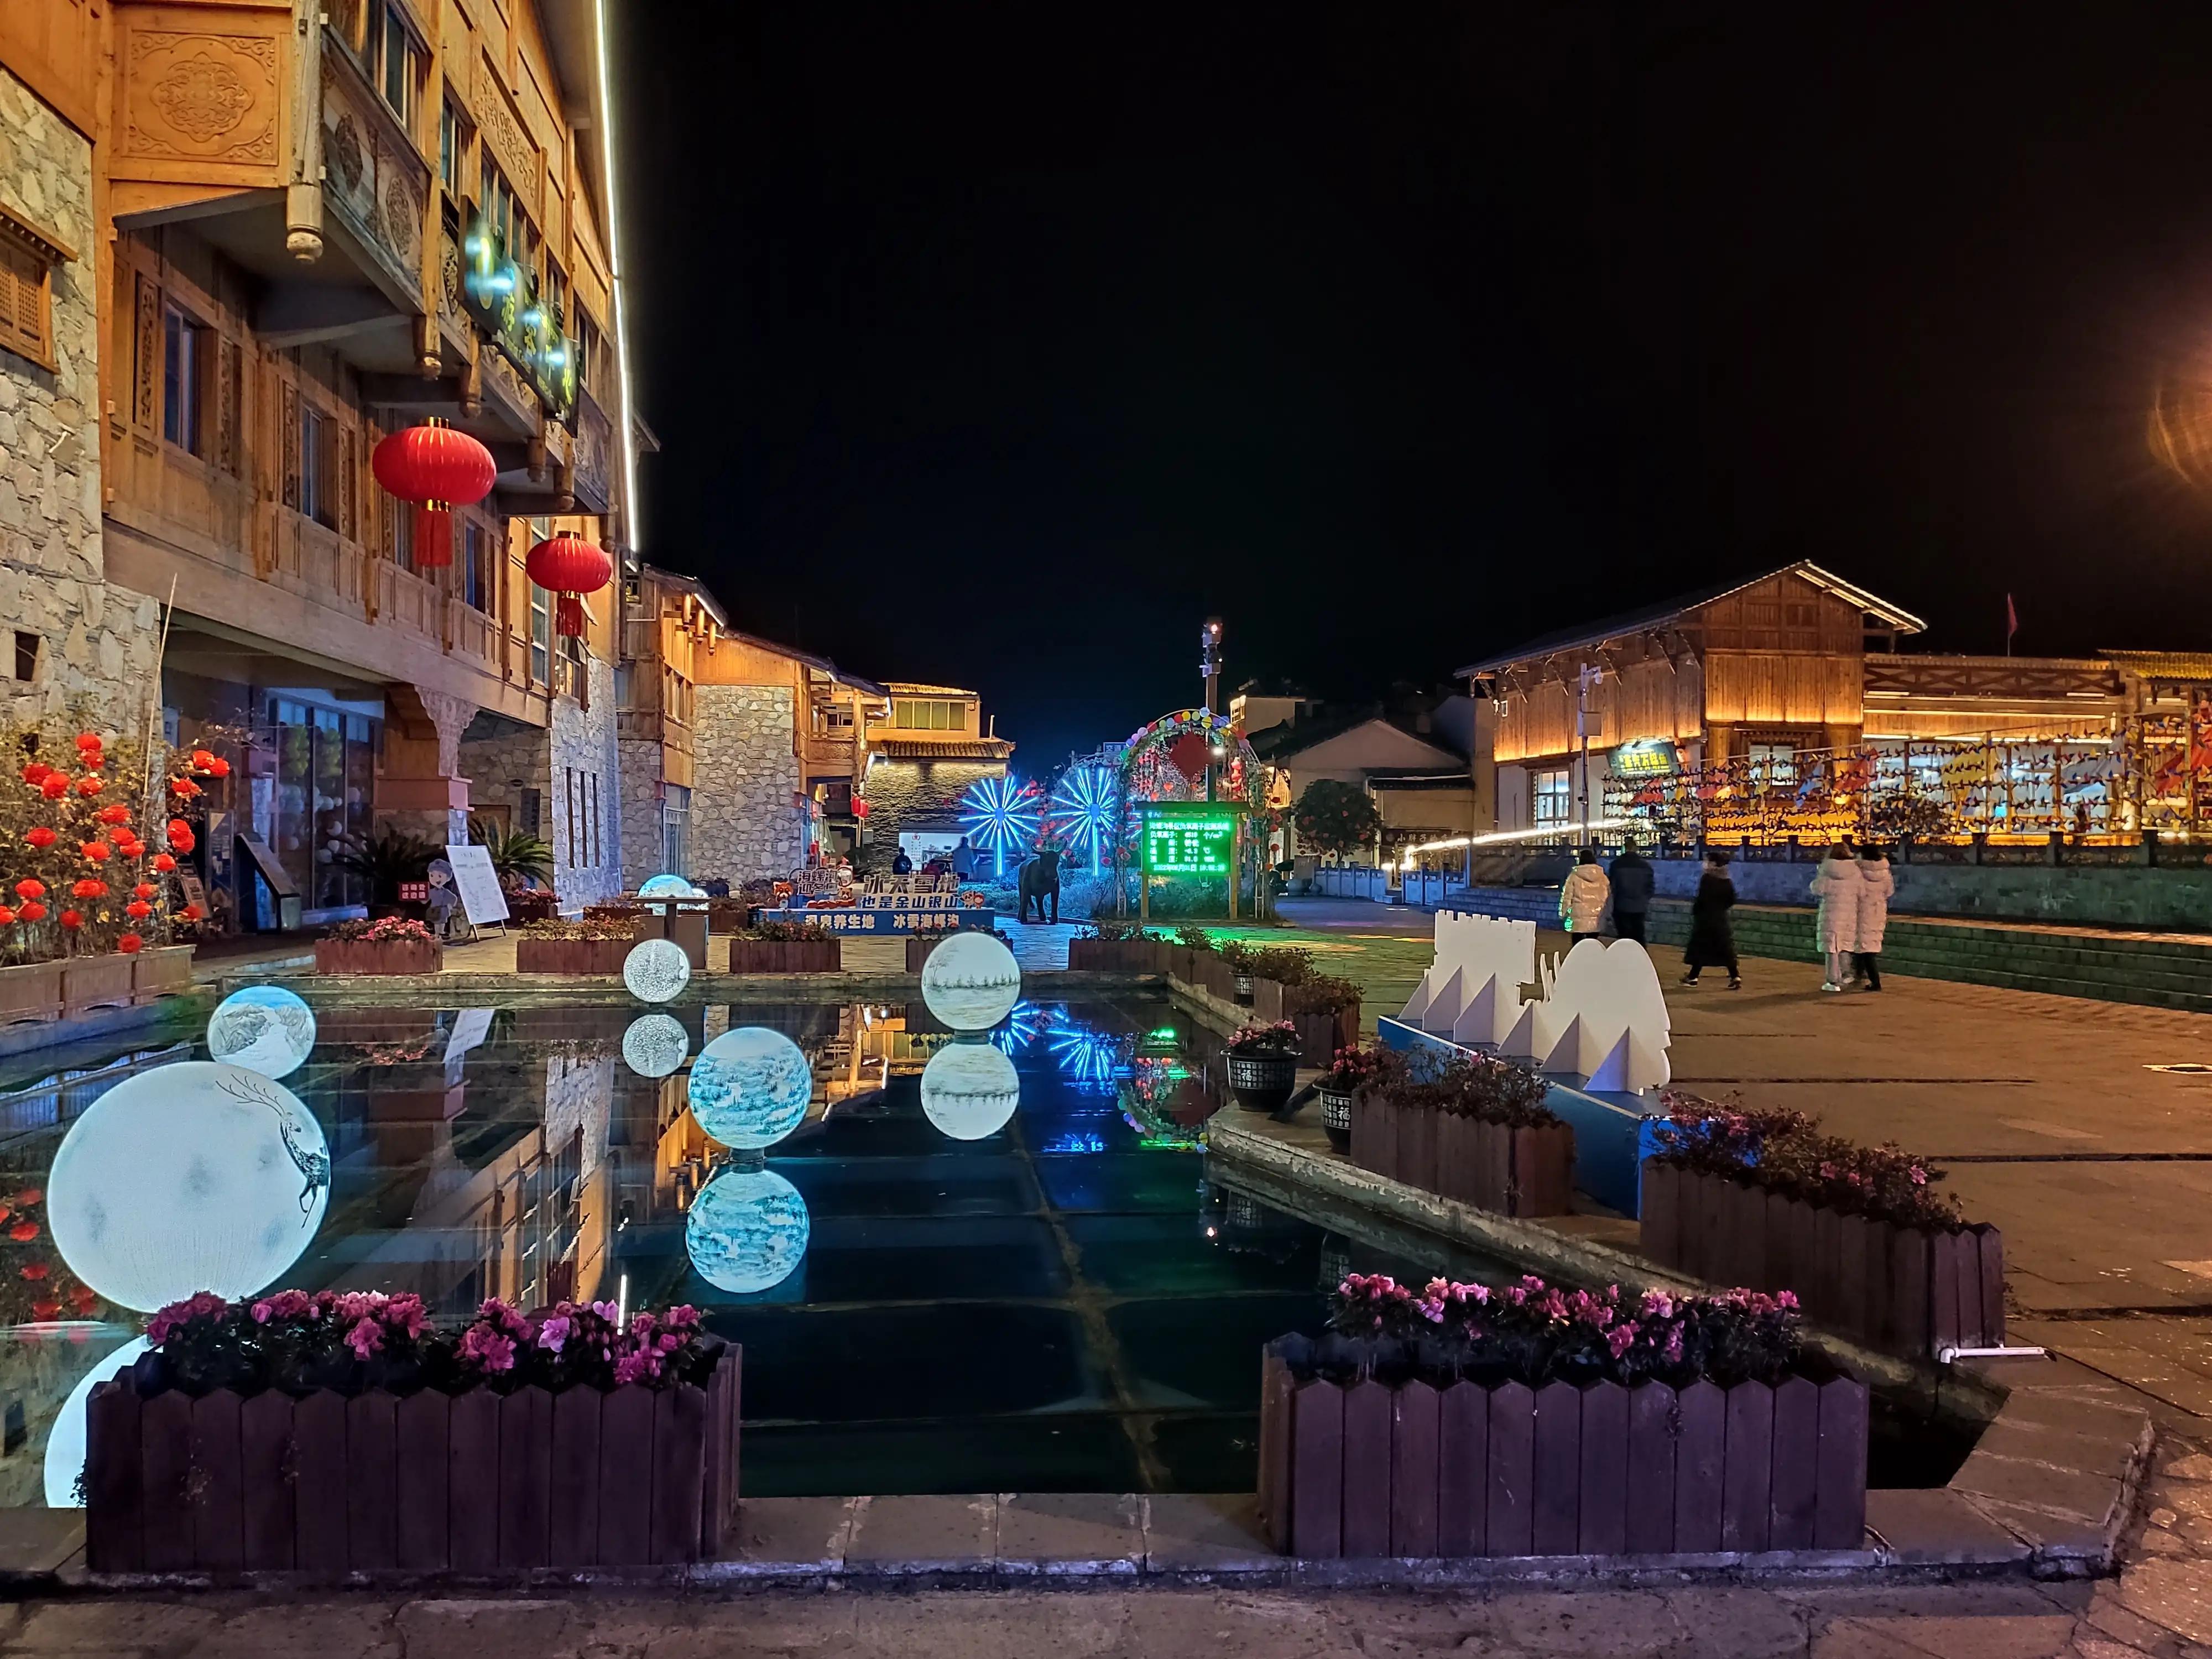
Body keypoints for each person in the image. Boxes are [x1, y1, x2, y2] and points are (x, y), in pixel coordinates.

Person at [1681, 852, 1740, 989]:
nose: (1704, 864)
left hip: (1706, 919)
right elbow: (1731, 900)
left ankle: (1693, 977)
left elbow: (1701, 899)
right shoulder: (1727, 880)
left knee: (1701, 948)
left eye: (1707, 861)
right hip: (1721, 919)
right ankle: (1735, 976)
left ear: (1713, 864)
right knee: (1726, 949)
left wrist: (1697, 911)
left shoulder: (1707, 879)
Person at [1809, 843, 1861, 992]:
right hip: (1849, 913)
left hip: (1831, 913)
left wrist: (1819, 875)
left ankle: (1833, 981)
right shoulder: (1855, 870)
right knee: (1845, 944)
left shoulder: (1827, 870)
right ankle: (1846, 974)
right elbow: (1861, 891)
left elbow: (1817, 889)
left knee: (1832, 947)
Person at [1854, 843, 1895, 990]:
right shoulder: (1885, 871)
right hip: (1878, 910)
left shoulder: (1858, 869)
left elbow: (1856, 890)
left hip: (1862, 909)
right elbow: (1889, 891)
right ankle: (1860, 974)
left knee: (1863, 946)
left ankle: (1874, 981)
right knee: (1870, 945)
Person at [1558, 846, 1610, 939]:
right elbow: (1608, 897)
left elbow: (1567, 897)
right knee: (1593, 943)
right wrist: (1607, 914)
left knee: (1577, 945)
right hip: (1596, 918)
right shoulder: (1603, 877)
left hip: (1578, 918)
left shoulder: (1574, 876)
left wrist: (1563, 913)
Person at [1608, 841, 1655, 943]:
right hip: (1640, 905)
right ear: (1636, 849)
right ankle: (1640, 956)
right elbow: (1650, 886)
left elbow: (1612, 886)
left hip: (1621, 904)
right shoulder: (1645, 866)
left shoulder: (1616, 865)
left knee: (1623, 935)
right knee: (1639, 933)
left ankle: (1625, 956)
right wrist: (1645, 898)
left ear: (1624, 848)